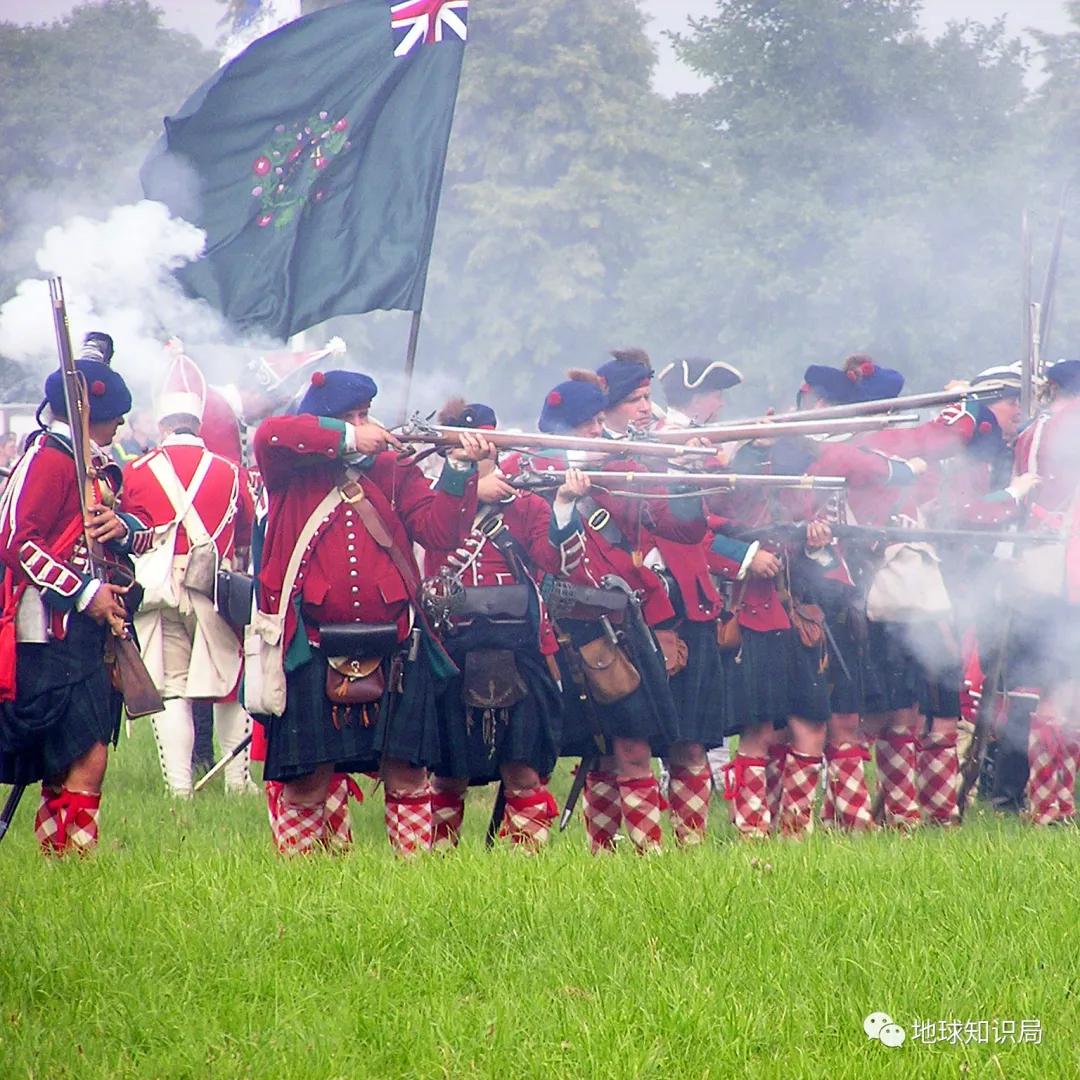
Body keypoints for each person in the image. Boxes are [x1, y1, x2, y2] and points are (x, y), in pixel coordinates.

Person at [253, 369, 489, 856]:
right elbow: (271, 433)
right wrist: (345, 437)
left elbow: (440, 532)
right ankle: (299, 887)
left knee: (407, 772)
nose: (362, 424)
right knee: (308, 778)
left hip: (394, 640)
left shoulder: (392, 467)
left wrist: (460, 469)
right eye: (348, 417)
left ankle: (413, 883)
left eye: (363, 415)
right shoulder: (292, 465)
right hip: (313, 640)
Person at [0, 347, 148, 854]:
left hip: (85, 630)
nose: (120, 424)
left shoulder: (94, 466)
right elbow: (17, 541)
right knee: (83, 755)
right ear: (88, 412)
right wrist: (85, 593)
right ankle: (70, 862)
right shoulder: (48, 459)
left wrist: (122, 528)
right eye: (112, 417)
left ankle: (65, 862)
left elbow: (141, 531)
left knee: (83, 754)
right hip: (52, 631)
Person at [425, 400, 585, 851]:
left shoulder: (527, 506)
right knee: (448, 770)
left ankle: (522, 869)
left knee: (523, 768)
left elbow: (559, 563)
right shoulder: (436, 502)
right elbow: (430, 546)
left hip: (518, 648)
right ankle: (439, 868)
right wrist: (470, 492)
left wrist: (565, 507)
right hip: (452, 645)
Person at [123, 349, 256, 797]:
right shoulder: (231, 472)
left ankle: (179, 790)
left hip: (160, 589)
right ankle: (237, 785)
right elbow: (242, 537)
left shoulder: (136, 472)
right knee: (229, 686)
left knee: (172, 688)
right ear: (199, 422)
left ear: (162, 422)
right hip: (212, 586)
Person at [1008, 359, 1080, 825]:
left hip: (1051, 566)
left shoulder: (1035, 430)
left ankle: (1053, 802)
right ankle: (1052, 804)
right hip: (1060, 569)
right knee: (1061, 686)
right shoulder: (1057, 429)